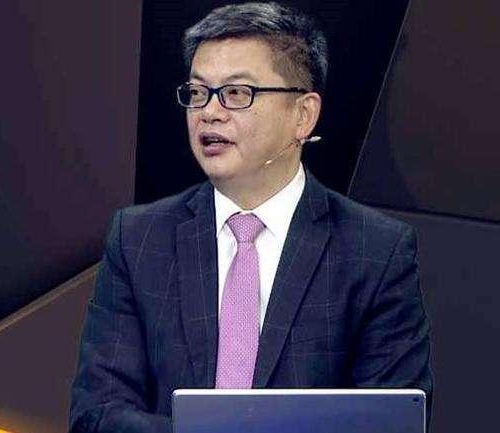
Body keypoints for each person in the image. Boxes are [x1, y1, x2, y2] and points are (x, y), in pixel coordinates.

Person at [69, 2, 433, 432]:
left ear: (303, 115)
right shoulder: (139, 238)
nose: (210, 112)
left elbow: (390, 422)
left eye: (237, 93)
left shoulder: (376, 251)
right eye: (198, 93)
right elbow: (97, 413)